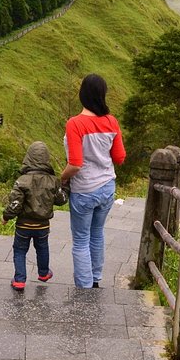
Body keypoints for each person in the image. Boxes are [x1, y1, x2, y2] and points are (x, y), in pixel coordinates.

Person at [60, 73, 126, 288]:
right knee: (97, 234)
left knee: (80, 240)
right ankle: (95, 279)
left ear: (82, 95)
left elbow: (75, 164)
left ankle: (84, 286)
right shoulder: (111, 121)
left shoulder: (75, 124)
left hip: (85, 190)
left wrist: (60, 178)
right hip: (107, 187)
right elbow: (119, 158)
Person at [3, 141, 68, 292]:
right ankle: (44, 273)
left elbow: (16, 204)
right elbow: (61, 200)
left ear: (28, 158)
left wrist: (6, 216)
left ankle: (19, 280)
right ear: (47, 159)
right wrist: (65, 186)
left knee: (20, 250)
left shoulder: (22, 181)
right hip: (43, 225)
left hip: (23, 225)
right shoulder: (53, 181)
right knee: (42, 248)